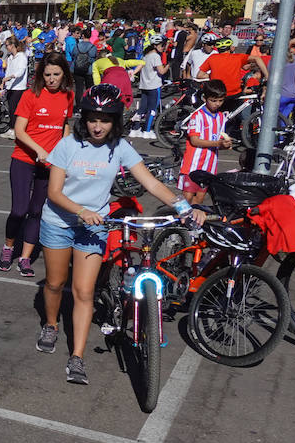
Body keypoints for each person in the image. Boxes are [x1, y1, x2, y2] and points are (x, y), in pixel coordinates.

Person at [41, 88, 204, 390]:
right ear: (84, 119)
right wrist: (81, 210)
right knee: (54, 283)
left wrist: (184, 207)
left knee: (84, 292)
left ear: (115, 121)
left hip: (94, 225)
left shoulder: (120, 147)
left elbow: (151, 183)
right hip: (60, 221)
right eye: (93, 119)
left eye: (104, 120)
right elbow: (53, 192)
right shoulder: (68, 145)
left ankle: (77, 356)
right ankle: (50, 324)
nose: (98, 126)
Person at [0, 53, 74, 277]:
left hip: (50, 164)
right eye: (47, 74)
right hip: (24, 159)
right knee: (19, 210)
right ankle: (8, 248)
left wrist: (65, 150)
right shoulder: (31, 95)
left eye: (56, 74)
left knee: (36, 211)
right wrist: (39, 150)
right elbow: (19, 131)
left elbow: (64, 126)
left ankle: (25, 258)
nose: (51, 79)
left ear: (64, 75)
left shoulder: (68, 96)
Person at [178, 79, 232, 205]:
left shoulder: (221, 117)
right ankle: (177, 221)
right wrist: (218, 144)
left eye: (220, 100)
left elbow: (218, 140)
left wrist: (225, 145)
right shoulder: (197, 116)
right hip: (193, 165)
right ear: (204, 98)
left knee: (199, 200)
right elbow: (195, 140)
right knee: (187, 198)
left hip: (209, 165)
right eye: (213, 100)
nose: (217, 104)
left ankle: (193, 222)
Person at [2, 36, 29, 120]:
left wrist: (11, 77)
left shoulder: (21, 56)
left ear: (13, 45)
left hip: (19, 87)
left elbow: (21, 71)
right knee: (10, 107)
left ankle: (14, 128)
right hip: (10, 86)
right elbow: (8, 71)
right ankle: (12, 126)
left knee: (14, 108)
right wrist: (4, 82)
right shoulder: (10, 58)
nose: (6, 47)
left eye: (7, 45)